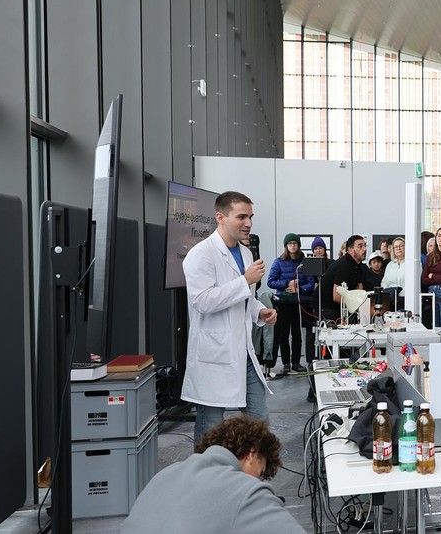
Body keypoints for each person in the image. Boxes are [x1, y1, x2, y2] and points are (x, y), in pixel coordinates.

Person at [181, 192, 277, 445]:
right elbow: (202, 301)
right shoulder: (200, 254)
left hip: (243, 352)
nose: (248, 223)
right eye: (241, 216)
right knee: (210, 428)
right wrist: (245, 281)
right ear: (220, 218)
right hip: (215, 355)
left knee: (259, 422)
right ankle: (206, 479)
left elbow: (245, 299)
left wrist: (259, 311)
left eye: (251, 217)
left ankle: (251, 479)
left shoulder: (245, 255)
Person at [121, 416, 301, 533]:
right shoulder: (243, 491)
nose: (256, 480)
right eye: (259, 473)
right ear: (252, 454)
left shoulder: (163, 476)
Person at [266, 233, 315, 375]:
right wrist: (286, 284)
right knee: (283, 333)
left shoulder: (305, 262)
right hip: (283, 302)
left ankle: (296, 363)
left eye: (295, 243)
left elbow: (311, 283)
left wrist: (300, 288)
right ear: (286, 246)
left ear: (299, 245)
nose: (292, 245)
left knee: (297, 334)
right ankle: (286, 363)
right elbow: (270, 281)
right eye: (290, 243)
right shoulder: (278, 261)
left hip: (298, 302)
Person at [319, 234, 367, 323]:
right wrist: (356, 306)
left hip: (341, 307)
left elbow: (360, 288)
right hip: (328, 308)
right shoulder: (343, 265)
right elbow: (337, 296)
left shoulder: (359, 265)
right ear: (350, 250)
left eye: (365, 246)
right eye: (360, 246)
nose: (364, 249)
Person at [379, 237, 406, 306]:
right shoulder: (390, 265)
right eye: (396, 247)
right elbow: (384, 282)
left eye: (401, 246)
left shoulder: (411, 264)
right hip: (389, 300)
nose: (398, 248)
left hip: (405, 299)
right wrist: (388, 293)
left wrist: (398, 295)